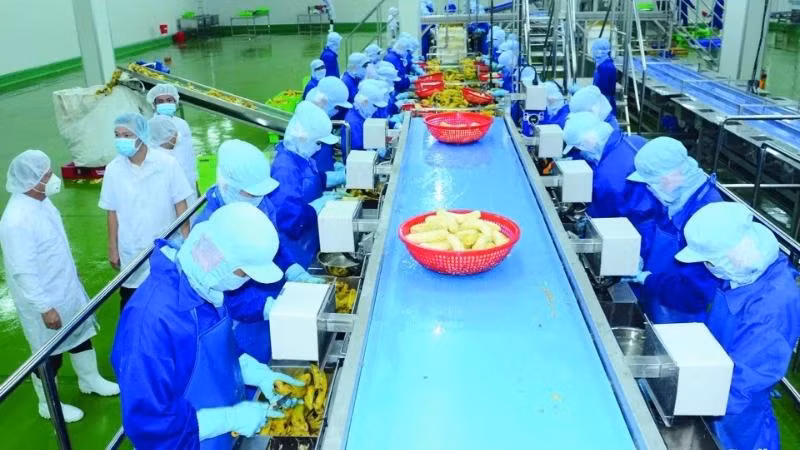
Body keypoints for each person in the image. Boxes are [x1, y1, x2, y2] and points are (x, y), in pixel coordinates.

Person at [112, 202, 306, 448]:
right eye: (243, 273)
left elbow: (219, 352)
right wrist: (228, 419)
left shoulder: (206, 287)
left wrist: (257, 373)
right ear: (220, 261)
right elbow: (149, 423)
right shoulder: (150, 323)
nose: (245, 281)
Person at [0, 150, 119, 423]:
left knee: (80, 333)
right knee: (49, 353)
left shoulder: (41, 201)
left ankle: (90, 380)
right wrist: (45, 307)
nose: (52, 178)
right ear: (30, 182)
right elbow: (23, 272)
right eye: (46, 176)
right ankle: (48, 404)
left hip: (64, 287)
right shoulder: (16, 220)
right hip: (44, 300)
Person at [675, 202, 800, 450]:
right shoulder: (744, 273)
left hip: (737, 418)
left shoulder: (771, 306)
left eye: (710, 260)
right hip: (718, 390)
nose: (708, 266)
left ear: (733, 254)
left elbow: (743, 384)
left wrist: (687, 407)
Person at [194, 140, 324, 363]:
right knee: (258, 366)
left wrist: (293, 268)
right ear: (227, 185)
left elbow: (273, 244)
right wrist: (265, 307)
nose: (257, 198)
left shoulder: (260, 203)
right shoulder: (207, 233)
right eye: (249, 192)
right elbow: (216, 291)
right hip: (242, 324)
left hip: (272, 300)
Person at [624, 138, 722, 323]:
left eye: (652, 183)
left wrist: (648, 280)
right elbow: (655, 231)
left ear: (670, 177)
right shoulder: (674, 198)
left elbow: (693, 295)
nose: (649, 189)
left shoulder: (705, 216)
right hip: (659, 295)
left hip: (680, 314)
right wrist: (640, 255)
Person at [100, 113, 193, 310]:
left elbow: (181, 205)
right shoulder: (113, 170)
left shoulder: (166, 164)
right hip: (131, 250)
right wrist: (112, 247)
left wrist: (187, 242)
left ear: (141, 135)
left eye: (127, 135)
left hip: (165, 246)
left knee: (168, 301)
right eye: (117, 135)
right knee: (132, 303)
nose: (121, 140)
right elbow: (112, 212)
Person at [270, 102, 343, 267]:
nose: (319, 148)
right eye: (318, 143)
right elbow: (289, 219)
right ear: (303, 138)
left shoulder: (300, 156)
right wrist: (316, 207)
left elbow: (311, 180)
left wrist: (335, 178)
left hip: (310, 237)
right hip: (295, 247)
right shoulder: (285, 169)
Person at [562, 111, 644, 219]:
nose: (580, 152)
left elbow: (601, 217)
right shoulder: (636, 141)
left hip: (640, 225)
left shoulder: (605, 177)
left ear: (589, 141)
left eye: (579, 147)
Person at [147, 84, 199, 202]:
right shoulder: (150, 125)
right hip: (163, 182)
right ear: (154, 105)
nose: (165, 103)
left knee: (189, 214)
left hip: (186, 179)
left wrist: (195, 181)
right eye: (161, 101)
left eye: (169, 100)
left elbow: (189, 156)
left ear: (175, 102)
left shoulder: (182, 124)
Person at [305, 76, 353, 172]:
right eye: (336, 107)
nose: (337, 111)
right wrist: (329, 177)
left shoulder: (320, 113)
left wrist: (333, 164)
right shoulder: (312, 121)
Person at [342, 80, 389, 159]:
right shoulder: (354, 122)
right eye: (375, 106)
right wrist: (374, 152)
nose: (376, 109)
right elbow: (356, 152)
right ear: (364, 102)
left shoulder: (362, 115)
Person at [591, 38, 618, 118]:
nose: (593, 51)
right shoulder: (602, 64)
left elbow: (604, 91)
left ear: (600, 51)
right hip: (602, 101)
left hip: (605, 102)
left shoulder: (606, 67)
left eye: (595, 49)